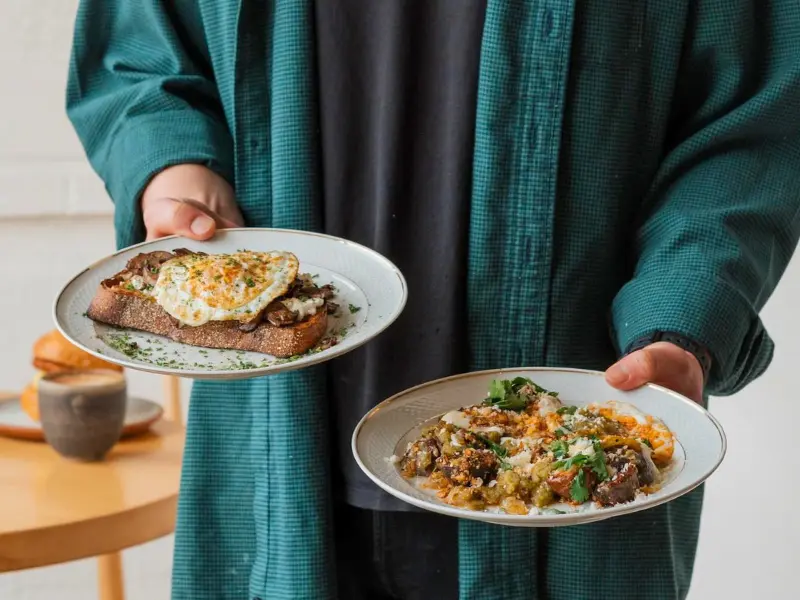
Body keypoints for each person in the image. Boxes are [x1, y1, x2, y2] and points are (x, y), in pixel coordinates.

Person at [65, 2, 800, 599]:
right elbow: (143, 49)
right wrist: (173, 166)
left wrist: (687, 316)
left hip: (575, 467)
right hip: (274, 453)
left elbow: (754, 119)